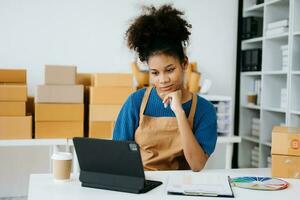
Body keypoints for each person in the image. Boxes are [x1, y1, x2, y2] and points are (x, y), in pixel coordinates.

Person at [113, 4, 217, 172]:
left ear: (184, 64)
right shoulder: (136, 102)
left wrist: (179, 113)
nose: (163, 80)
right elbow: (118, 157)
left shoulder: (204, 110)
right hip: (142, 186)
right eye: (155, 73)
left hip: (181, 189)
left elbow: (197, 165)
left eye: (170, 70)